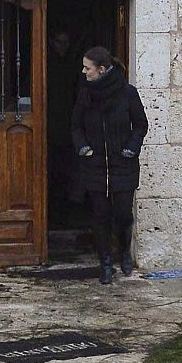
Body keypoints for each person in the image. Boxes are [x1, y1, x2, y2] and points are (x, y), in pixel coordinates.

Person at [70, 45, 148, 284]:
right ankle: (105, 262)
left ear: (101, 69)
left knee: (123, 214)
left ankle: (124, 251)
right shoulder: (86, 94)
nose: (84, 72)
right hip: (95, 165)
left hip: (122, 163)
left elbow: (140, 125)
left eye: (87, 68)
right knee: (100, 215)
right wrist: (84, 148)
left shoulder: (128, 93)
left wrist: (130, 149)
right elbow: (76, 126)